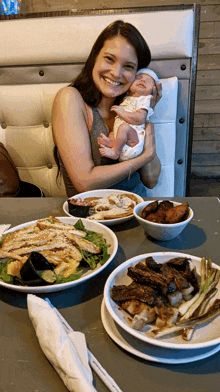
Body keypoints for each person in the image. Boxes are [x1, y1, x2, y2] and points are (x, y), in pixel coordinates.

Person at [52, 20, 162, 198]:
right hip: (92, 218)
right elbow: (84, 183)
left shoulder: (130, 107)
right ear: (95, 57)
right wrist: (145, 156)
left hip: (137, 212)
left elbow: (151, 179)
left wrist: (146, 111)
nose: (116, 73)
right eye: (109, 59)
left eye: (128, 66)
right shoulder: (70, 99)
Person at [97, 68, 159, 187]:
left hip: (133, 142)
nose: (143, 81)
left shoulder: (144, 100)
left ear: (153, 90)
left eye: (148, 81)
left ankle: (115, 151)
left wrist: (122, 113)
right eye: (138, 78)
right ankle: (112, 143)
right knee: (114, 133)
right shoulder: (126, 98)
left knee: (124, 128)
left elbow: (140, 118)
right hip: (125, 140)